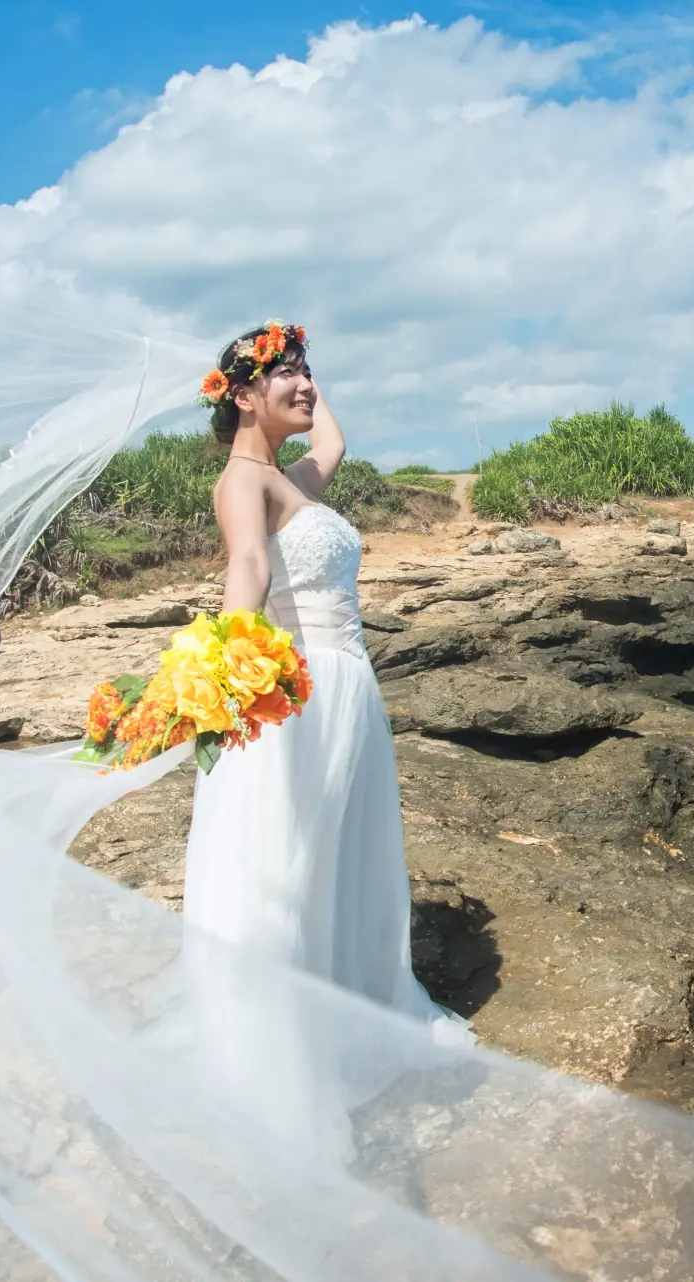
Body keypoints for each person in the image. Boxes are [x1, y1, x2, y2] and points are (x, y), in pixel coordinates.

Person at [181, 321, 466, 1041]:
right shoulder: (243, 480)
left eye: (308, 373)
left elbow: (332, 445)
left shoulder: (287, 478)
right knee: (289, 852)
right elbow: (248, 565)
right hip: (302, 691)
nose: (306, 386)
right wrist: (222, 669)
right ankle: (279, 1034)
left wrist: (298, 364)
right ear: (244, 395)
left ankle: (343, 1000)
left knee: (338, 848)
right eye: (287, 376)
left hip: (348, 684)